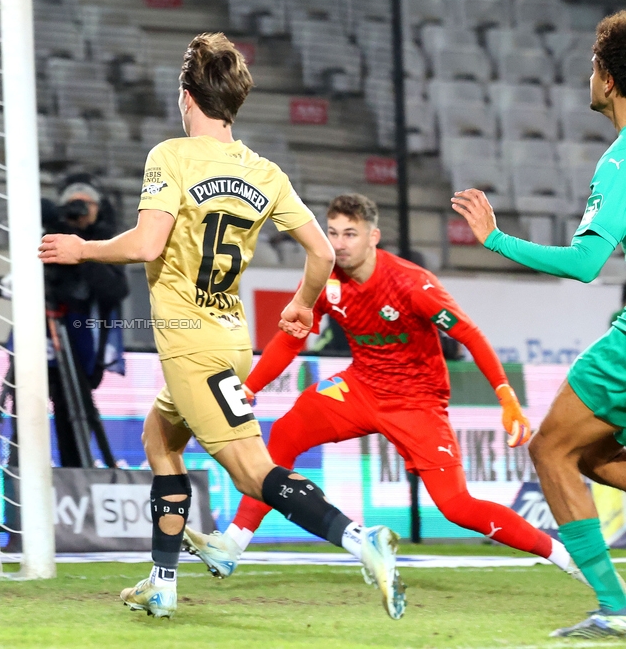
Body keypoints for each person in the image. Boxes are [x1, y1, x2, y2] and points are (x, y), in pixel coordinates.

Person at [39, 33, 406, 620]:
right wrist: (303, 305)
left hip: (191, 348)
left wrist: (82, 249)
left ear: (186, 96)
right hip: (232, 342)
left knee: (253, 473)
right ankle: (162, 581)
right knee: (160, 438)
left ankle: (362, 542)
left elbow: (147, 242)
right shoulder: (265, 172)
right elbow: (323, 254)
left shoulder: (172, 157)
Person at [182, 194, 584, 589]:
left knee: (456, 507)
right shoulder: (323, 277)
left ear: (373, 237)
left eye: (350, 234)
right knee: (286, 432)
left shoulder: (411, 283)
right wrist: (250, 388)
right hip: (360, 386)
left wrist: (505, 395)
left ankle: (565, 556)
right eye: (333, 232)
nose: (338, 243)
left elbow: (470, 335)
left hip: (417, 403)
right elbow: (292, 338)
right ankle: (231, 545)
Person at [452, 11, 626, 638]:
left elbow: (585, 263)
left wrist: (496, 239)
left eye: (591, 67)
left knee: (551, 449)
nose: (588, 77)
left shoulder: (619, 162)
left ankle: (614, 608)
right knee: (593, 453)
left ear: (608, 79)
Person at [41, 175, 129, 466]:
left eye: (85, 205)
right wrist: (61, 231)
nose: (77, 212)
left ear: (98, 210)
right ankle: (25, 472)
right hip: (44, 339)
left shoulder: (107, 245)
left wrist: (81, 249)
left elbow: (117, 289)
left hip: (83, 340)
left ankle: (77, 470)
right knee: (29, 407)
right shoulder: (47, 239)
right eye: (71, 206)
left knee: (76, 408)